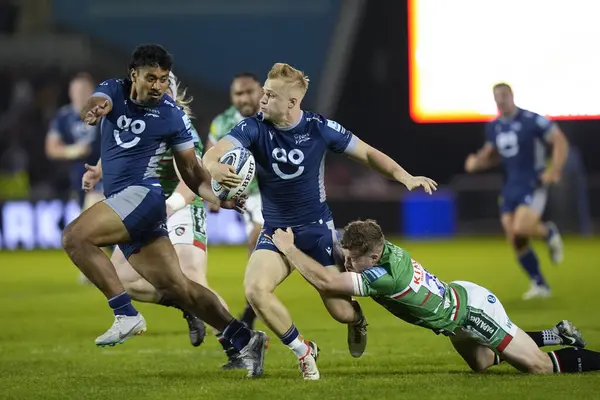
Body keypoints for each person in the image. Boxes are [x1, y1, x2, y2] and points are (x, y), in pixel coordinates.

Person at [203, 62, 437, 380]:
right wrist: (214, 166)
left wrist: (404, 176)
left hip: (316, 232)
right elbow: (214, 154)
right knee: (256, 290)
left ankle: (357, 321)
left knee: (342, 312)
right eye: (264, 93)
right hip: (275, 231)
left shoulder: (319, 127)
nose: (261, 99)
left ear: (291, 102)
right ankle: (304, 351)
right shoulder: (253, 128)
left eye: (270, 95)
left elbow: (367, 154)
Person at [61, 43, 267, 378]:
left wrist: (220, 198)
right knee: (179, 288)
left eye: (163, 79)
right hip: (128, 204)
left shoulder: (173, 116)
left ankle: (125, 314)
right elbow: (99, 101)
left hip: (144, 197)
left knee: (74, 237)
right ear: (134, 75)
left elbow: (194, 174)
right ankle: (244, 338)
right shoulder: (114, 90)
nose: (157, 85)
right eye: (151, 77)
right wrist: (93, 108)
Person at [271, 219, 600, 375]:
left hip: (471, 313)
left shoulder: (386, 277)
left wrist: (289, 249)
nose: (347, 262)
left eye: (352, 258)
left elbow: (328, 283)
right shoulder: (382, 249)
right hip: (456, 313)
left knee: (539, 368)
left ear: (372, 257)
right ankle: (554, 334)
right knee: (483, 363)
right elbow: (342, 266)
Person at [465, 83, 569, 300]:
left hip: (533, 180)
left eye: (504, 95)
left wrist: (554, 171)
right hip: (511, 184)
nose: (501, 100)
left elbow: (559, 140)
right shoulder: (493, 127)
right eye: (497, 97)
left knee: (522, 227)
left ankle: (548, 232)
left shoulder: (532, 120)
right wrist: (477, 162)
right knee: (514, 236)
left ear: (512, 95)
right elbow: (491, 154)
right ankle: (540, 284)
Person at [205, 72, 263, 330]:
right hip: (246, 198)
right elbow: (209, 157)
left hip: (275, 191)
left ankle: (250, 314)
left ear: (261, 90)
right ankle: (252, 311)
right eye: (238, 94)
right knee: (259, 247)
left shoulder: (273, 114)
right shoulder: (223, 123)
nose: (245, 98)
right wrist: (212, 192)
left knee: (257, 242)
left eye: (249, 91)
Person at [45, 72, 103, 210]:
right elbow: (51, 148)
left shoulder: (106, 114)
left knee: (94, 208)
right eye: (76, 91)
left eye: (84, 90)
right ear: (70, 93)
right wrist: (71, 151)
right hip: (77, 176)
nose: (79, 95)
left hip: (104, 173)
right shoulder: (63, 117)